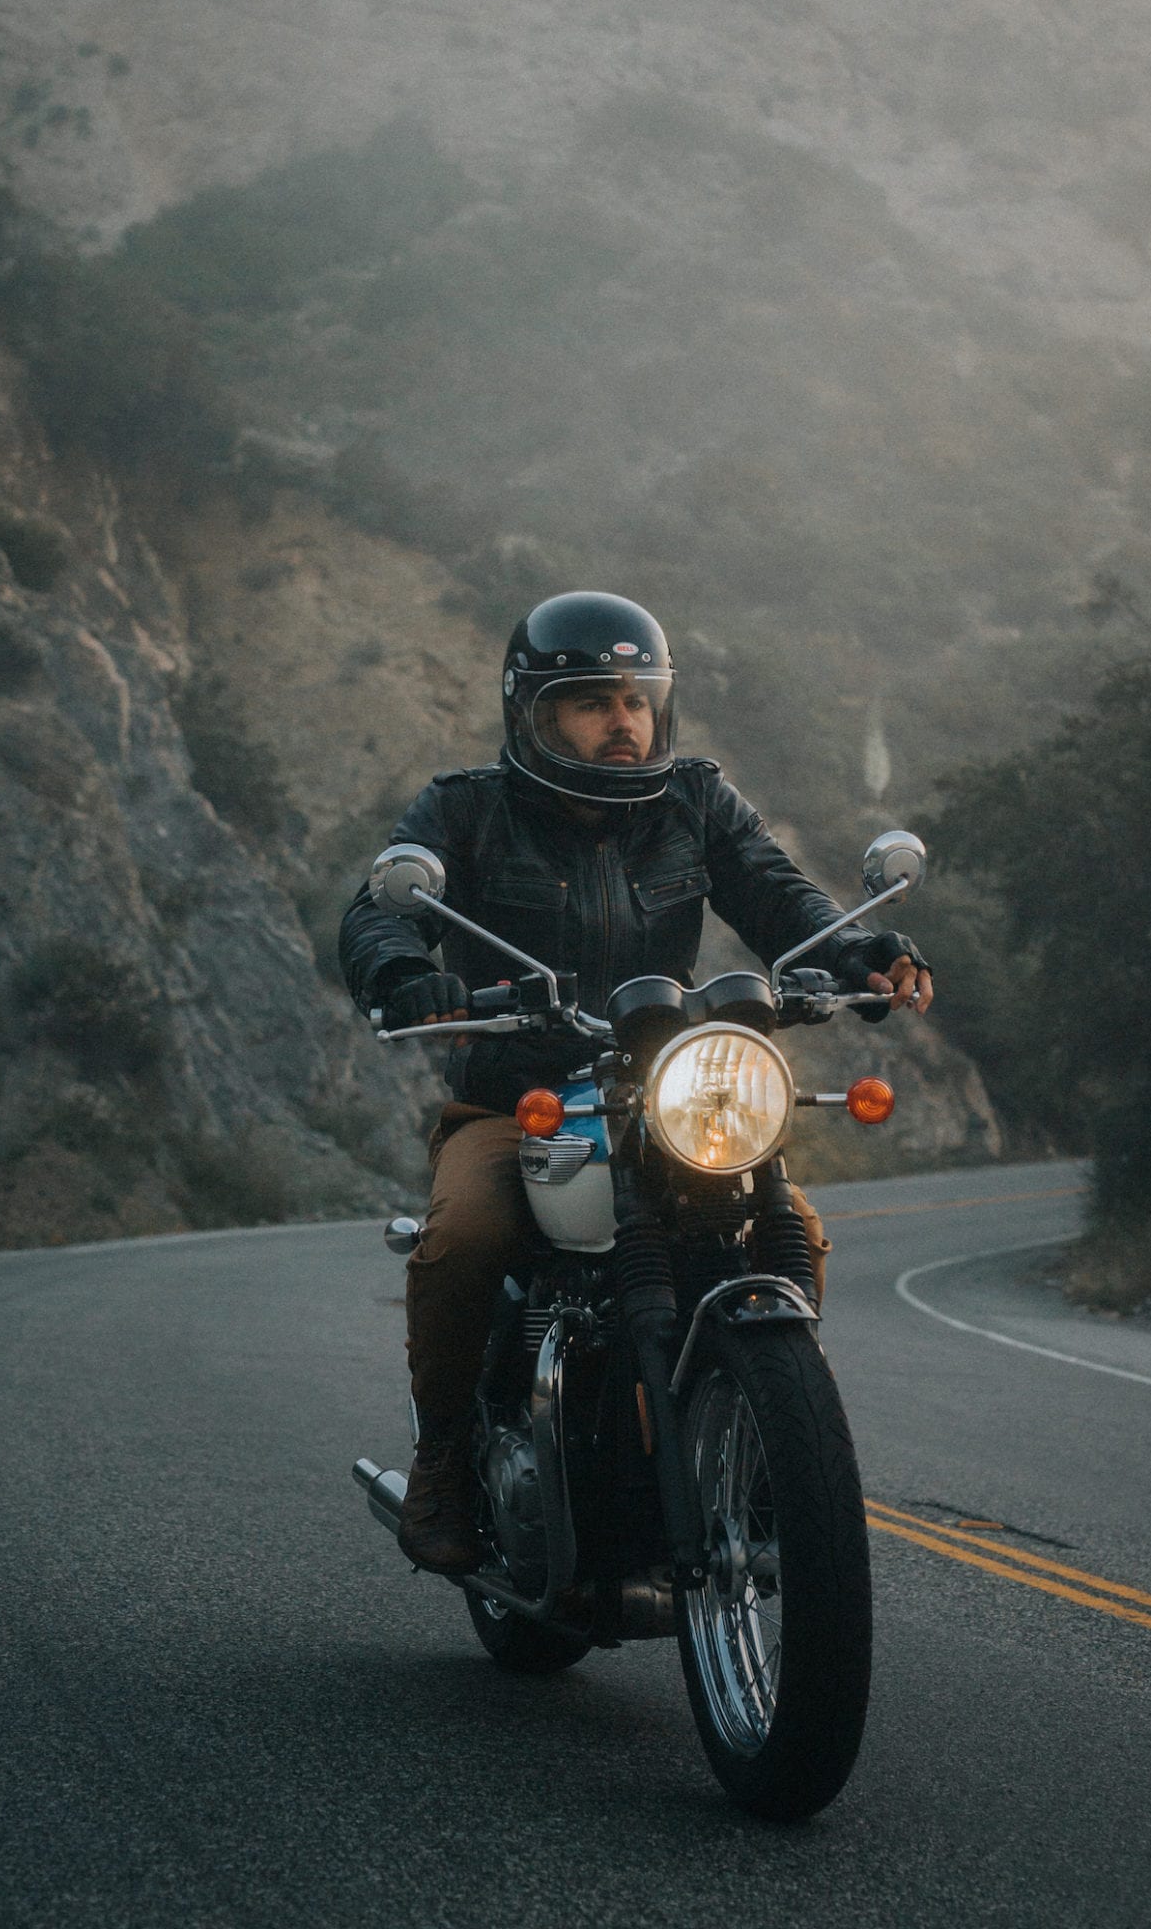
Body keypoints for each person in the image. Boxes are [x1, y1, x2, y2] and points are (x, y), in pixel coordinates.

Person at [339, 591, 932, 1575]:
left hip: (672, 1091)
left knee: (793, 1228)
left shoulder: (694, 800)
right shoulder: (466, 808)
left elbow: (777, 890)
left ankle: (759, 1439)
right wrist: (406, 972)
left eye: (637, 699)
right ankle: (444, 1460)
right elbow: (381, 909)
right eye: (591, 701)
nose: (623, 722)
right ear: (533, 711)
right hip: (519, 1098)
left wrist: (861, 949)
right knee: (465, 1234)